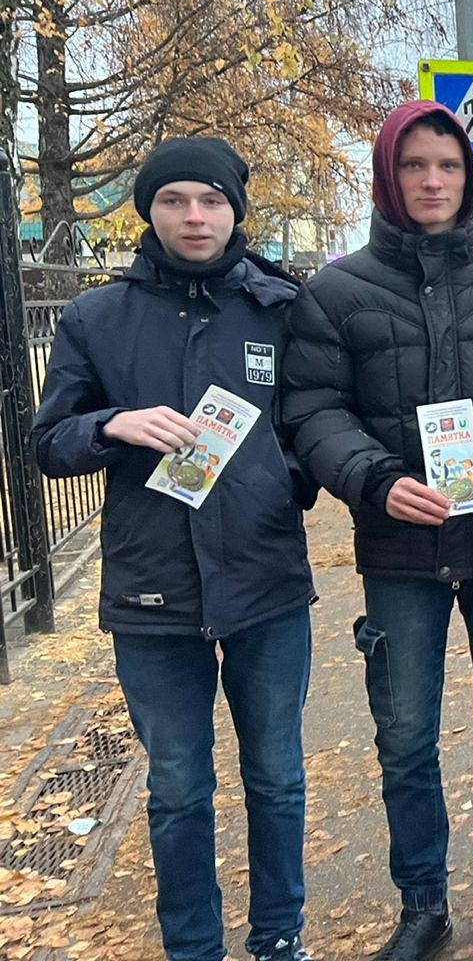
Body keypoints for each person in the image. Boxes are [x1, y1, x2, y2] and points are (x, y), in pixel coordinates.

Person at [281, 102, 473, 961]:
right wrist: (373, 479)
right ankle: (422, 901)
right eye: (414, 168)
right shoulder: (336, 291)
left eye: (448, 166)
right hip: (401, 551)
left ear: (468, 177)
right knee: (404, 731)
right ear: (387, 177)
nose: (433, 182)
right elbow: (310, 409)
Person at [33, 138, 317, 961]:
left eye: (212, 202)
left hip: (266, 582)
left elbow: (311, 420)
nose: (196, 217)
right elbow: (47, 442)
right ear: (149, 210)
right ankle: (194, 947)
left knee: (277, 779)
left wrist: (281, 480)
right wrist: (111, 426)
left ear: (236, 210)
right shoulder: (96, 316)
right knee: (180, 789)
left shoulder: (279, 307)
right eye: (175, 201)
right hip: (151, 592)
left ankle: (278, 938)